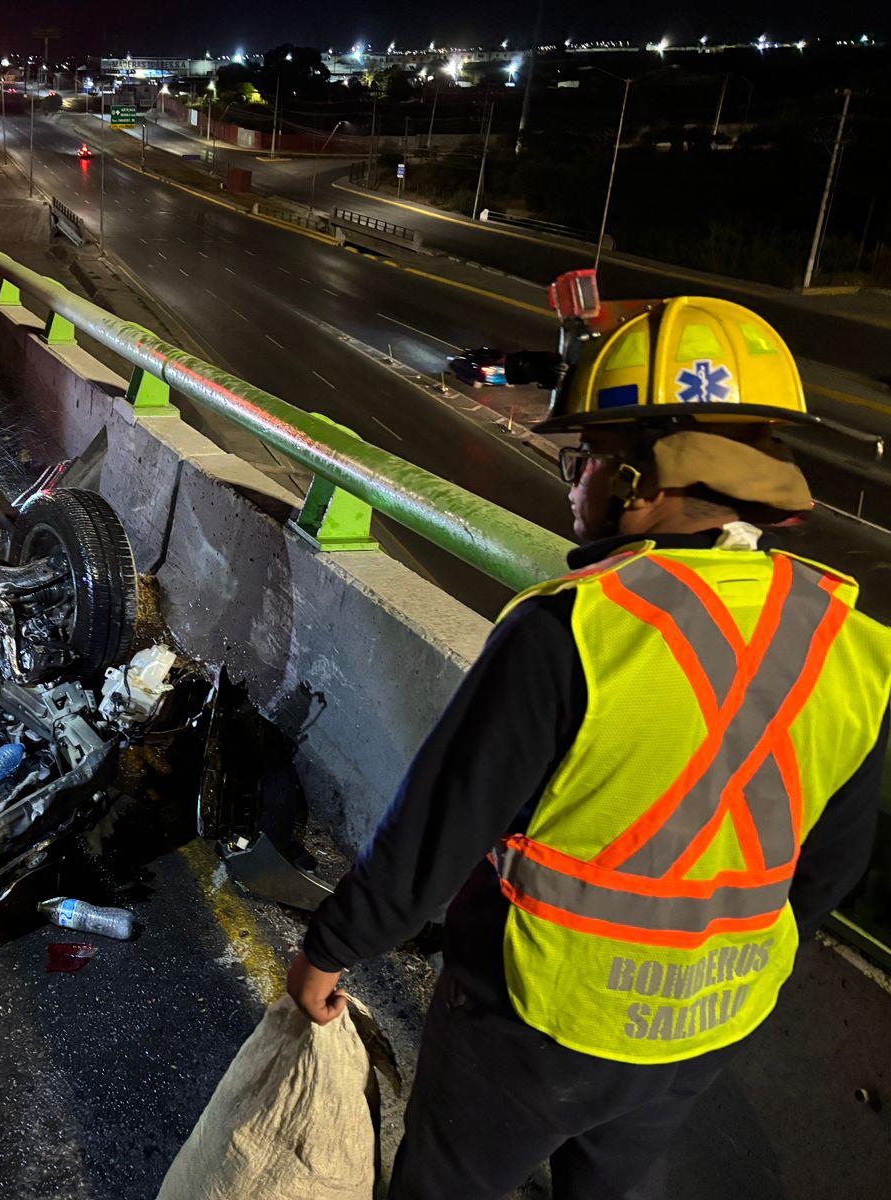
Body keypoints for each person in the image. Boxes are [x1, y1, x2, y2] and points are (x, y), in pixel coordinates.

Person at [286, 296, 891, 1199]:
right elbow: (830, 869)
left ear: (642, 482)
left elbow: (441, 824)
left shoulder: (577, 629)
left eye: (587, 460)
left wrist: (328, 950)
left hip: (536, 1019)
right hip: (704, 1028)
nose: (574, 485)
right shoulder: (855, 646)